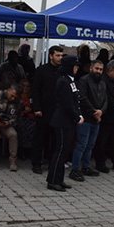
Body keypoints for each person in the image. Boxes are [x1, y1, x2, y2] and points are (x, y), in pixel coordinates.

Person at [47, 56, 83, 192]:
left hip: (68, 121)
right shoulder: (63, 81)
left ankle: (59, 178)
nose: (77, 68)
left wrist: (79, 114)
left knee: (64, 151)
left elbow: (75, 100)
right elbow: (67, 104)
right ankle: (52, 180)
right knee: (60, 150)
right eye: (75, 66)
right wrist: (77, 117)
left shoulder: (70, 80)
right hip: (62, 121)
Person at [70, 60, 106, 181]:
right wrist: (94, 112)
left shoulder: (103, 83)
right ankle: (75, 169)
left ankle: (86, 167)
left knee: (90, 145)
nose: (98, 71)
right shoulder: (83, 80)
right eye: (96, 68)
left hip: (97, 118)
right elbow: (82, 98)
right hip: (86, 117)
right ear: (91, 68)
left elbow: (105, 99)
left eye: (101, 69)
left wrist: (101, 111)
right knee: (81, 144)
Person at [31, 45, 63, 174]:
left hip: (58, 111)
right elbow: (35, 90)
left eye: (61, 55)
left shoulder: (62, 71)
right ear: (50, 56)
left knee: (55, 138)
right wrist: (37, 108)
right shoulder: (41, 70)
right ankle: (36, 163)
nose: (60, 58)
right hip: (43, 110)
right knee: (40, 137)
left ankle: (52, 162)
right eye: (57, 55)